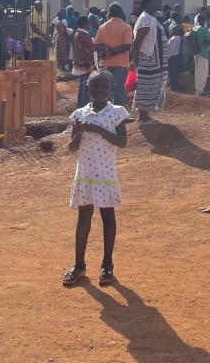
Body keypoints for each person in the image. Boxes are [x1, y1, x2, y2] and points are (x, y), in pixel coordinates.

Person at [61, 69, 129, 287]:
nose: (99, 90)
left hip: (105, 173)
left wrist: (98, 130)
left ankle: (107, 264)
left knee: (108, 216)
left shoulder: (117, 112)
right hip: (86, 174)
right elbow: (72, 148)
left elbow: (122, 142)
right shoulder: (79, 114)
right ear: (87, 88)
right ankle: (79, 265)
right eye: (94, 86)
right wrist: (80, 132)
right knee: (84, 217)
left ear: (111, 90)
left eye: (104, 87)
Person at [129, 0, 168, 123]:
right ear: (149, 4)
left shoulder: (151, 17)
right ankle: (143, 117)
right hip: (149, 60)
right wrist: (134, 59)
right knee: (146, 86)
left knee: (151, 86)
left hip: (155, 60)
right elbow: (137, 40)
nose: (159, 3)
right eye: (156, 1)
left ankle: (145, 116)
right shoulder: (146, 19)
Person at [93, 3, 133, 105]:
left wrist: (107, 51)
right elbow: (127, 46)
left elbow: (96, 45)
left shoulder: (103, 26)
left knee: (106, 91)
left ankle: (106, 114)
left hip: (105, 64)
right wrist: (112, 52)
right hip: (121, 64)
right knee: (119, 90)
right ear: (121, 13)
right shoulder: (126, 27)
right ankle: (119, 115)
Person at [72, 16, 95, 108]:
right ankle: (83, 106)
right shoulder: (82, 35)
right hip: (84, 64)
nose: (90, 24)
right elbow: (91, 45)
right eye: (88, 22)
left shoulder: (79, 33)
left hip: (82, 63)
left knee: (83, 85)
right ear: (85, 24)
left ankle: (81, 105)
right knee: (85, 85)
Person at [191, 13, 210, 95]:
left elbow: (188, 36)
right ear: (203, 20)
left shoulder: (193, 28)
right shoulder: (204, 29)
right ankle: (200, 91)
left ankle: (197, 89)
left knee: (197, 72)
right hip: (203, 53)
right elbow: (207, 42)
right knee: (203, 73)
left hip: (195, 52)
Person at [167, 25, 184, 92]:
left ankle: (174, 87)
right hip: (175, 56)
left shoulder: (174, 38)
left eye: (172, 29)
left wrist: (168, 58)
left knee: (172, 73)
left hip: (172, 57)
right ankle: (177, 86)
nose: (171, 30)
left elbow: (170, 50)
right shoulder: (178, 37)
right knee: (175, 73)